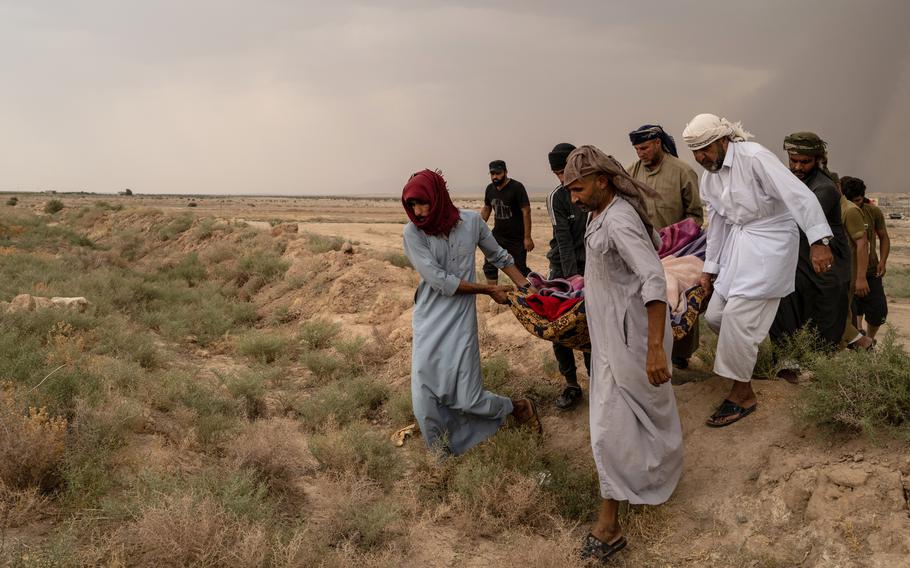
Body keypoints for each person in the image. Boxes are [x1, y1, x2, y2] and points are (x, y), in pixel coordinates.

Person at [563, 146, 682, 563]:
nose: (573, 198)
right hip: (612, 337)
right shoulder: (598, 214)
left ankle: (609, 524)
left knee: (609, 427)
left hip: (633, 337)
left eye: (578, 189)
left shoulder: (620, 219)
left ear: (603, 180)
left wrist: (654, 349)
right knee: (628, 418)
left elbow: (652, 277)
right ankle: (647, 479)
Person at [682, 114, 833, 427]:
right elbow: (719, 223)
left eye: (705, 148)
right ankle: (745, 358)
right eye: (695, 151)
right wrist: (709, 271)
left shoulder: (755, 158)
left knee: (738, 318)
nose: (700, 157)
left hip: (771, 243)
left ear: (723, 140)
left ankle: (743, 395)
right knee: (716, 316)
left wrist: (819, 240)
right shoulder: (710, 177)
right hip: (739, 247)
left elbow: (799, 195)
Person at [402, 169, 541, 457]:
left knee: (468, 396)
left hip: (460, 320)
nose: (417, 212)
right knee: (424, 398)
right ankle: (442, 459)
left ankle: (516, 407)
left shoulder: (471, 222)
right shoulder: (413, 233)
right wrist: (488, 290)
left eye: (422, 203)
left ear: (438, 197)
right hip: (429, 318)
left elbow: (499, 256)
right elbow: (439, 280)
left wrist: (526, 287)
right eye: (412, 205)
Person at [769, 132, 858, 363]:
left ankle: (819, 372)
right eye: (793, 160)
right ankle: (789, 365)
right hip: (798, 262)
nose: (797, 166)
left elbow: (800, 217)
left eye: (804, 162)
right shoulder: (790, 180)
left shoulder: (824, 188)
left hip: (826, 269)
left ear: (817, 160)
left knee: (823, 324)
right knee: (788, 312)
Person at [628, 124, 703, 369]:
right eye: (637, 149)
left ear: (658, 143)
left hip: (679, 253)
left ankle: (680, 356)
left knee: (680, 302)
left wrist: (680, 240)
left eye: (645, 147)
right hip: (643, 252)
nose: (641, 153)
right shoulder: (631, 173)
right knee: (646, 301)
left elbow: (696, 216)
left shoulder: (683, 171)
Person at [544, 143, 591, 410]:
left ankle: (597, 379)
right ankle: (571, 383)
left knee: (589, 326)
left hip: (592, 266)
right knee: (558, 326)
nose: (562, 179)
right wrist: (573, 279)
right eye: (557, 174)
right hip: (562, 268)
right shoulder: (557, 198)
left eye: (565, 171)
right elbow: (562, 240)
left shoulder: (592, 190)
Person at [843, 176, 890, 340]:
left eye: (857, 200)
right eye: (851, 201)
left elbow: (884, 237)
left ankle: (869, 340)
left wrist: (883, 261)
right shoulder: (841, 211)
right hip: (847, 273)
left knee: (878, 311)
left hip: (870, 271)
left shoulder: (873, 211)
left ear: (863, 196)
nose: (854, 205)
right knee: (849, 312)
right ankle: (858, 342)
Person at [481, 160, 533, 285]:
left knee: (520, 269)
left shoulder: (517, 187)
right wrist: (479, 225)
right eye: (492, 174)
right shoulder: (490, 189)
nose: (495, 177)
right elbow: (487, 208)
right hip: (497, 235)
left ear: (505, 172)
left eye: (498, 173)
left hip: (516, 237)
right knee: (489, 266)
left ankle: (528, 297)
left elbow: (526, 211)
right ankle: (494, 294)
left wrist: (527, 237)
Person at [837, 179, 871, 349]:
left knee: (837, 315)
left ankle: (863, 343)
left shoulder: (849, 210)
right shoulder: (835, 208)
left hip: (847, 274)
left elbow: (862, 243)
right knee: (842, 314)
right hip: (836, 274)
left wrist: (860, 278)